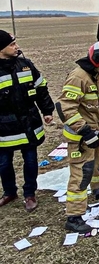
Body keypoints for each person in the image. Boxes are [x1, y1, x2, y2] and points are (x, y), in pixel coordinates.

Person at [56, 41, 99, 232]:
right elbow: (65, 108)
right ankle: (74, 216)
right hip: (81, 138)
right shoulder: (79, 77)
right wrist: (85, 132)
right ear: (97, 60)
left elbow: (98, 102)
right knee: (82, 173)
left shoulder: (97, 75)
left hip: (96, 132)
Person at [0, 30, 54, 211]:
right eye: (12, 45)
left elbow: (41, 87)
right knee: (4, 163)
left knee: (30, 160)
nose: (17, 47)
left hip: (29, 123)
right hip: (4, 128)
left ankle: (29, 193)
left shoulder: (26, 65)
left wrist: (47, 110)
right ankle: (9, 192)